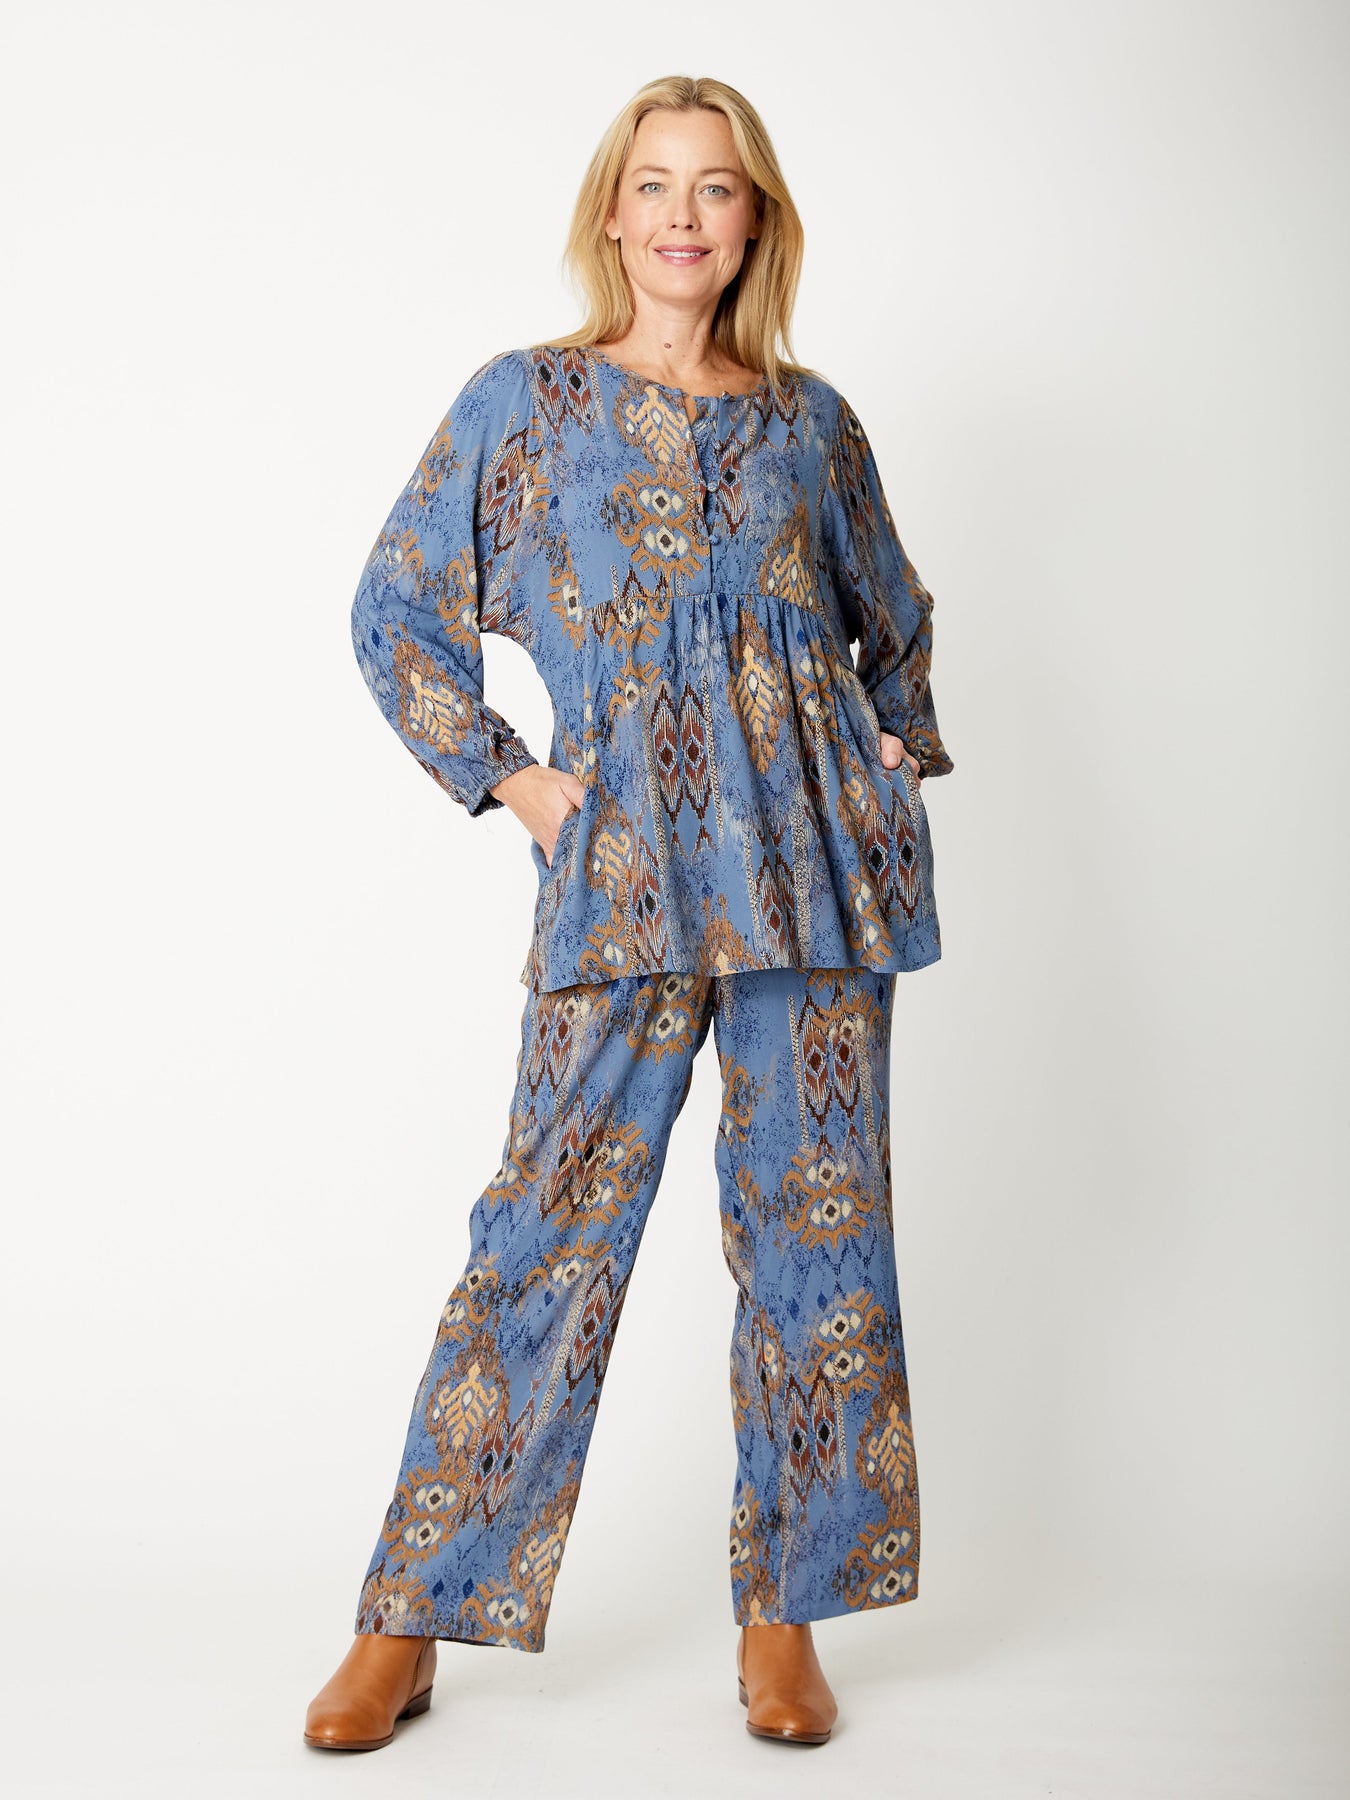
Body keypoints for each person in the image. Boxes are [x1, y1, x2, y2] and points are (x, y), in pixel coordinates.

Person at [304, 71, 955, 1754]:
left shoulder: (810, 424)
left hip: (811, 878)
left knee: (817, 1244)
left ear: (753, 222)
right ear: (612, 214)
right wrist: (513, 781)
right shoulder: (524, 403)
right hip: (622, 870)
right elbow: (394, 607)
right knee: (543, 1231)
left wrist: (888, 752)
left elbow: (890, 617)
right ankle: (408, 1616)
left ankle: (783, 1618)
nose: (682, 214)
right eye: (654, 184)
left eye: (714, 188)